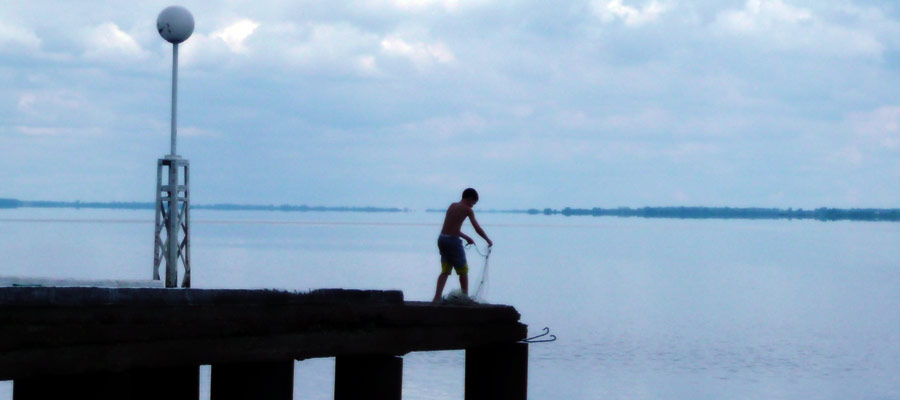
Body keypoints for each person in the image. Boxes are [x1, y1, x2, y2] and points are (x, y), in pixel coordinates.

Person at [432, 188, 493, 303]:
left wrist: (466, 237)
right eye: (473, 203)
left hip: (442, 239)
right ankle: (465, 297)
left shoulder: (452, 205)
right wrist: (488, 240)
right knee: (463, 270)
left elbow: (451, 228)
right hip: (452, 242)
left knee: (445, 270)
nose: (473, 206)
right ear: (470, 199)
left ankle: (436, 298)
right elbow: (477, 228)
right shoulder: (467, 210)